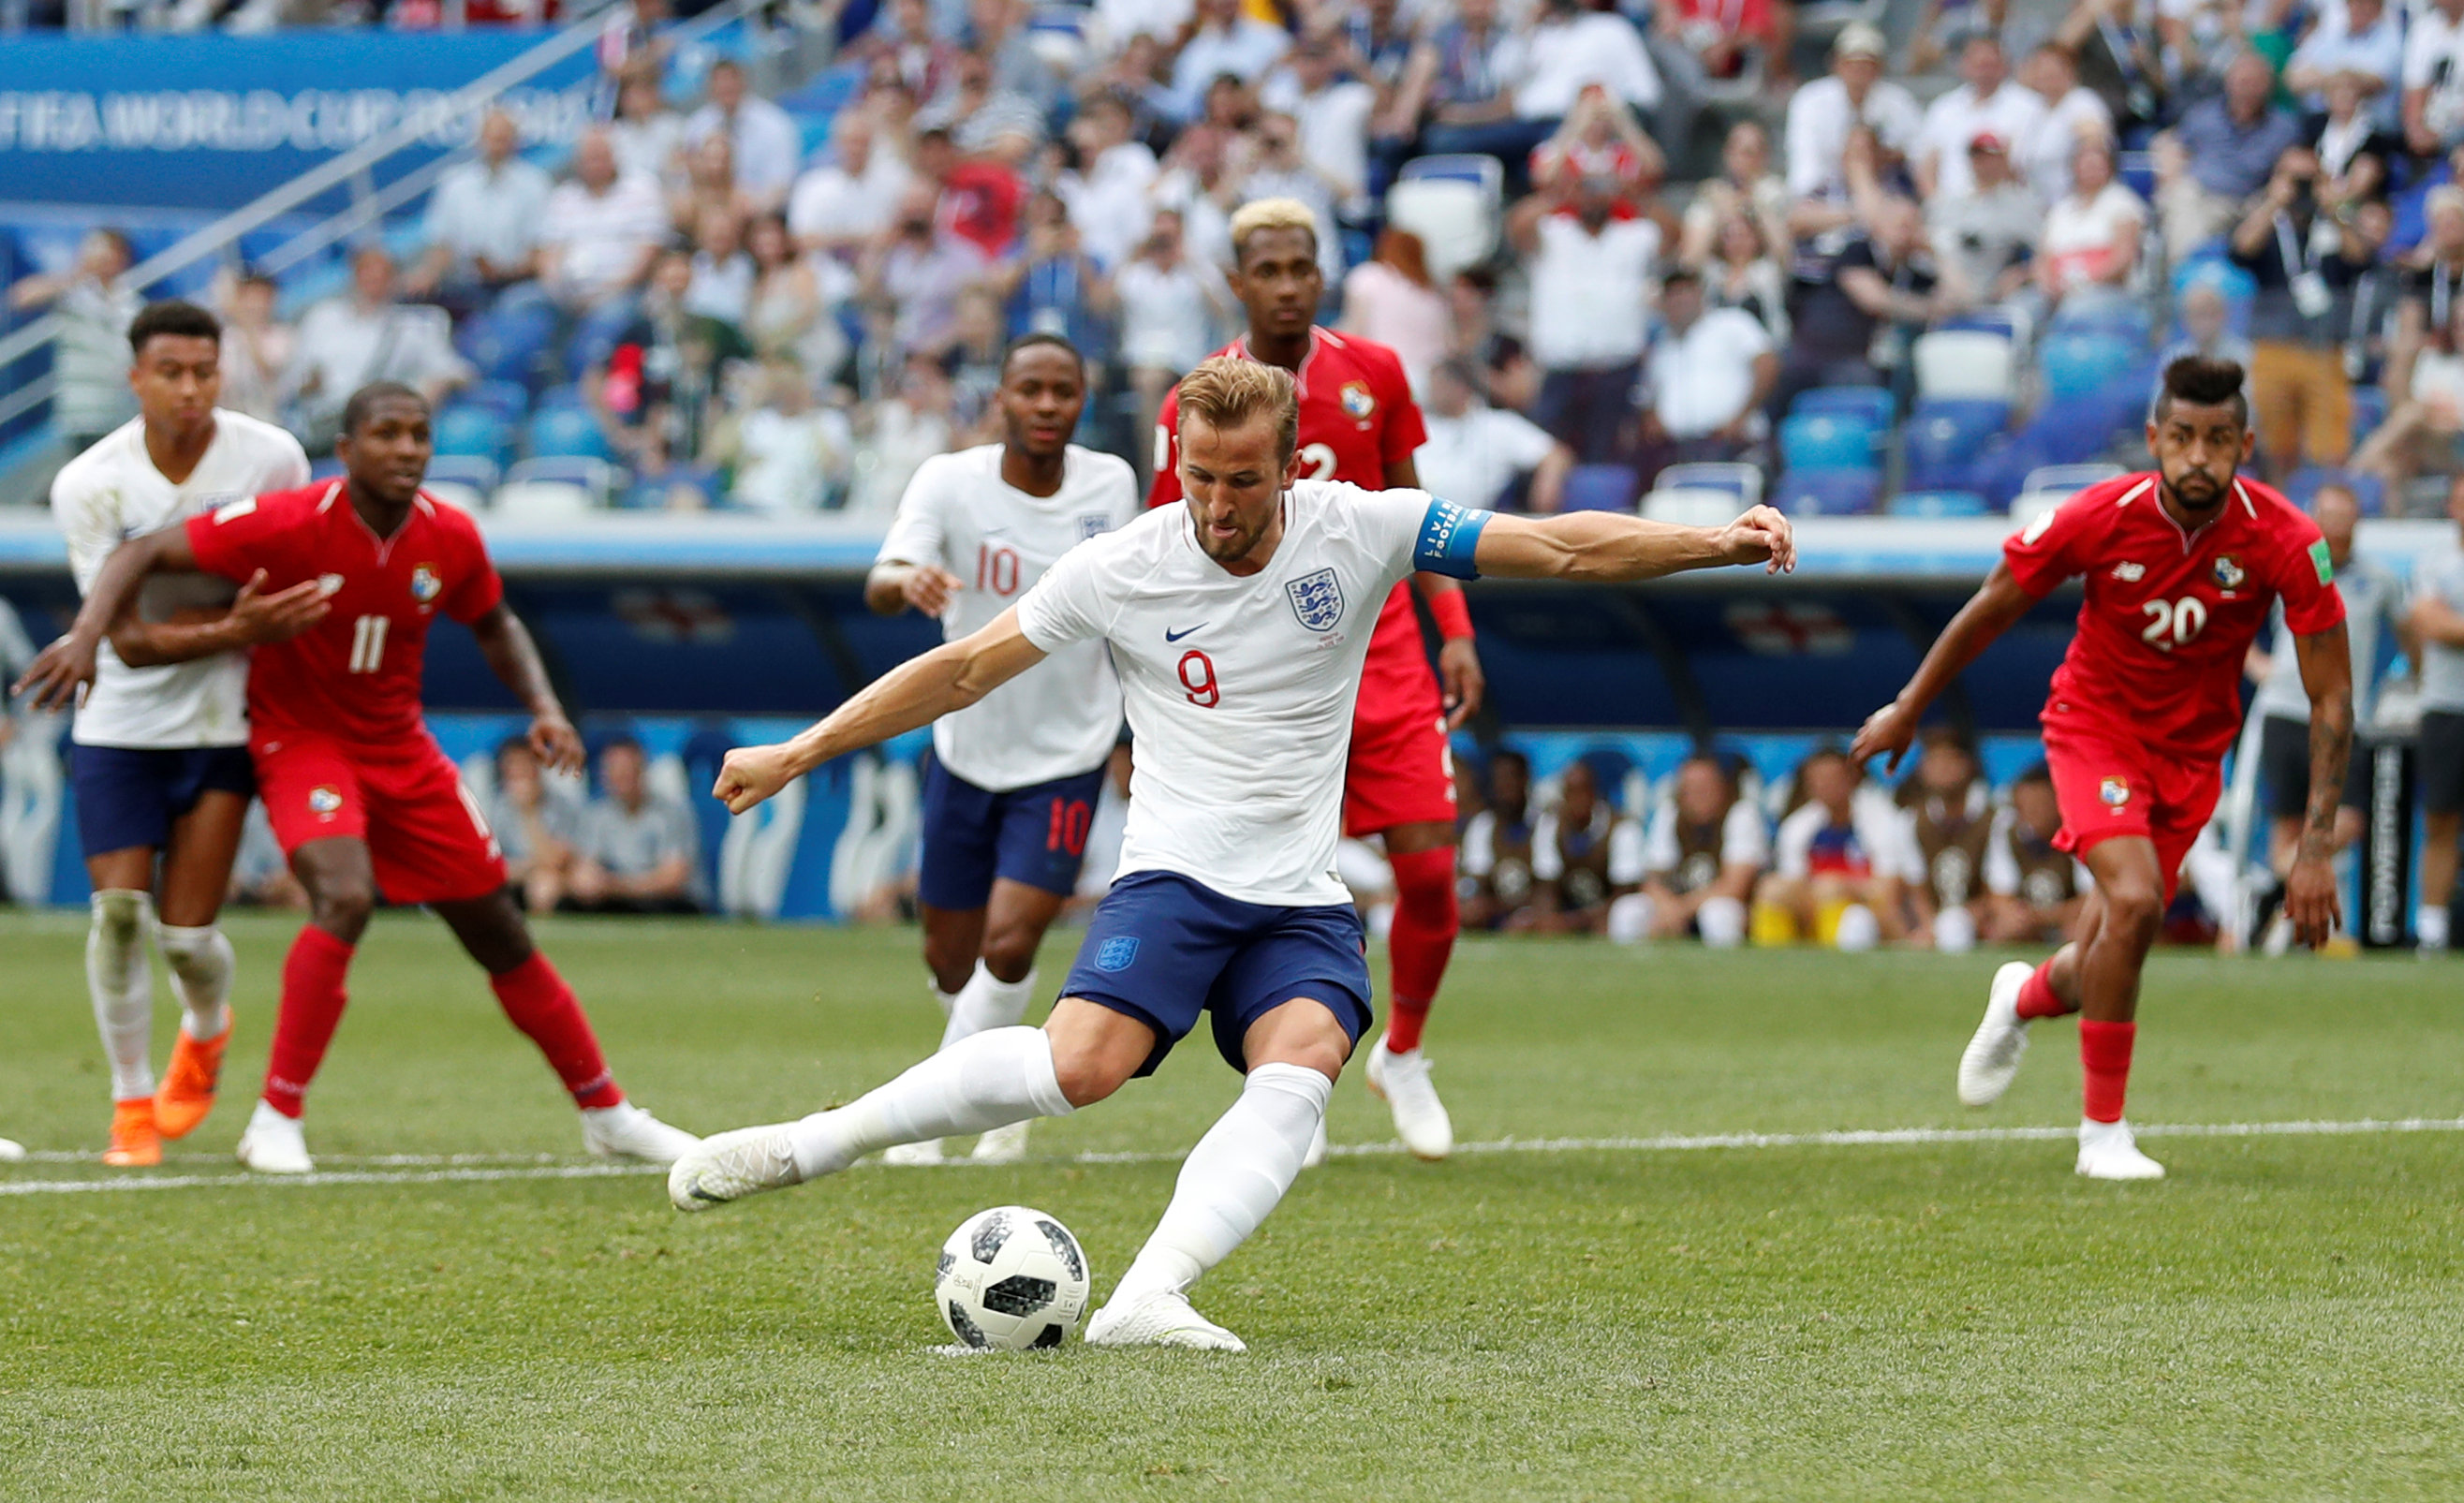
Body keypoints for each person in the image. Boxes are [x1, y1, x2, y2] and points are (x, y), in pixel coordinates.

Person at [668, 355, 1795, 1350]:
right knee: (1078, 1071)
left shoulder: (1363, 526)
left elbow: (1559, 546)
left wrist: (1712, 541)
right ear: (1175, 462)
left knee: (1304, 1062)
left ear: (1293, 462)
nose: (1217, 503)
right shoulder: (1123, 565)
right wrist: (798, 751)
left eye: (1243, 480)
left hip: (1299, 895)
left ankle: (1148, 1297)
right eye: (1198, 476)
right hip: (1174, 877)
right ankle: (813, 1143)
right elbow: (962, 668)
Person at [18, 383, 701, 1176]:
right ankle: (276, 1116)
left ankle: (607, 1111)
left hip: (401, 749)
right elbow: (141, 550)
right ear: (345, 451)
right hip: (301, 742)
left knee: (500, 932)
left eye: (419, 435)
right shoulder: (289, 520)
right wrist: (87, 638)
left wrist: (543, 705)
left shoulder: (449, 534)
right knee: (343, 895)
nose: (407, 449)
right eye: (386, 433)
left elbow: (493, 619)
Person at [1852, 356, 2353, 1180]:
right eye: (2183, 437)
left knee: (2117, 939)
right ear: (2155, 438)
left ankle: (2024, 995)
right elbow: (1991, 606)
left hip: (2191, 755)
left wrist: (2313, 846)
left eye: (2218, 440)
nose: (2199, 457)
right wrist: (1910, 704)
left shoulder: (2287, 541)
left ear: (2245, 445)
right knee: (2136, 898)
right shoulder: (2098, 515)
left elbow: (2331, 697)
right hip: (2094, 729)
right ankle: (2101, 1136)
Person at [1146, 199, 1487, 1163]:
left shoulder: (1374, 374)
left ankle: (1406, 1054)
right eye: (1270, 270)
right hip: (1266, 678)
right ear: (1237, 281)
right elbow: (1167, 551)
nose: (1289, 285)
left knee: (1429, 873)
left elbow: (1420, 515)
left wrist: (1452, 630)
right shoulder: (1198, 400)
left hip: (1383, 657)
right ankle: (1286, 1091)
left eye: (1303, 267)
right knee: (1266, 886)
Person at [45, 300, 315, 1167]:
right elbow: (124, 639)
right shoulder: (91, 483)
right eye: (171, 372)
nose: (190, 388)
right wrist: (232, 624)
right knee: (119, 916)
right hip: (118, 720)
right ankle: (129, 1107)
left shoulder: (271, 457)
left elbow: (284, 590)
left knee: (188, 938)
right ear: (136, 379)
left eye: (205, 371)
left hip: (221, 722)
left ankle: (204, 1028)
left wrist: (221, 621)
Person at [862, 334, 1138, 1165]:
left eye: (1064, 390)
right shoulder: (949, 482)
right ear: (1002, 400)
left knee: (1011, 942)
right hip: (966, 746)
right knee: (949, 959)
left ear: (1081, 400)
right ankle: (1001, 1088)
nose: (1048, 405)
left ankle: (923, 1122)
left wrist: (1134, 731)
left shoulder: (1111, 484)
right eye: (1031, 390)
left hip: (1067, 752)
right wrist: (906, 580)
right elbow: (882, 578)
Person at [2243, 483, 2407, 950]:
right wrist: (2261, 669)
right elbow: (2233, 621)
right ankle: (2294, 931)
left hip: (2342, 714)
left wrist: (2399, 682)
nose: (2336, 527)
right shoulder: (2287, 571)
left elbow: (2407, 634)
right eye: (2328, 516)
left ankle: (2271, 890)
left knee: (2348, 820)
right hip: (2286, 709)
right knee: (2288, 824)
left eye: (2345, 517)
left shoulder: (2378, 581)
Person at [1507, 171, 1660, 464]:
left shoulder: (1633, 235)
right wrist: (1558, 192)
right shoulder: (1553, 232)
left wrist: (1635, 195)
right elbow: (1517, 226)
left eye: (1599, 188)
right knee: (1546, 458)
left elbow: (1673, 238)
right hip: (1560, 373)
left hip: (1616, 373)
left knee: (1609, 462)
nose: (1592, 196)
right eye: (1586, 189)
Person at [1754, 746, 1910, 950]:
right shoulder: (1798, 825)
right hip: (1816, 909)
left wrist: (1842, 887)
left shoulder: (1881, 818)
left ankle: (1835, 961)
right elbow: (1794, 883)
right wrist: (1822, 892)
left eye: (1831, 778)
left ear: (1852, 778)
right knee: (1771, 888)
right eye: (1816, 780)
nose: (1824, 786)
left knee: (1833, 891)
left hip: (1875, 916)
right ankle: (1772, 962)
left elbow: (1890, 892)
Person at [1640, 263, 1776, 485]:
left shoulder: (1732, 323)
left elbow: (1767, 364)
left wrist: (1741, 417)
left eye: (1686, 291)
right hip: (1677, 451)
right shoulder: (1662, 347)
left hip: (1734, 443)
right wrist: (1655, 421)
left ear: (1700, 294)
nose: (1680, 300)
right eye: (1673, 294)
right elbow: (1648, 397)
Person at [406, 108, 553, 312]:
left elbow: (541, 248)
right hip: (465, 283)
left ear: (515, 142)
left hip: (516, 283)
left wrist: (502, 273)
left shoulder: (535, 183)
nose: (496, 146)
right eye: (492, 138)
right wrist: (428, 275)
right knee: (412, 299)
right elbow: (442, 244)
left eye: (503, 139)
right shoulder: (455, 184)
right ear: (479, 141)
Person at [2408, 478, 2464, 952]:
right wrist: (2447, 625)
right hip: (2445, 707)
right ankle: (2432, 928)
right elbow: (2431, 624)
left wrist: (2454, 622)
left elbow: (2449, 625)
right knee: (2441, 819)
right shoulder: (2435, 563)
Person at [1630, 750, 1763, 946]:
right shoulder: (1670, 813)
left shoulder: (1741, 814)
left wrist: (1680, 910)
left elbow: (1735, 887)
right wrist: (1666, 907)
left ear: (1722, 787)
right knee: (1628, 911)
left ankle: (1728, 974)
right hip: (1678, 904)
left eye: (1704, 788)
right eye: (1689, 788)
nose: (1696, 795)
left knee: (1717, 914)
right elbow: (1652, 879)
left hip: (1731, 906)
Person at [566, 736, 705, 914]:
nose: (621, 777)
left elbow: (674, 879)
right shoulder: (597, 814)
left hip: (667, 903)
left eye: (627, 770)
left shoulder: (673, 813)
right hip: (617, 900)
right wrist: (590, 881)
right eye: (614, 770)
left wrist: (615, 886)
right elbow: (583, 872)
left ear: (643, 771)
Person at [1417, 359, 1573, 512]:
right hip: (1413, 515)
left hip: (1470, 523)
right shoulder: (1420, 424)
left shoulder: (1498, 425)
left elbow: (1555, 455)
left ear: (1462, 387)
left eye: (1440, 384)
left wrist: (1547, 484)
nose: (1432, 391)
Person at [1913, 37, 2049, 203]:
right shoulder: (1944, 108)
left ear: (2004, 66)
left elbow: (2028, 167)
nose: (1985, 72)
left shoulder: (2029, 107)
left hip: (2007, 206)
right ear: (1964, 67)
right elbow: (1926, 166)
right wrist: (1937, 205)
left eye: (1990, 65)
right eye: (1979, 65)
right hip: (1951, 208)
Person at [1895, 727, 1994, 953]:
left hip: (1982, 920)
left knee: (1954, 924)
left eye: (1949, 760)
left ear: (1968, 765)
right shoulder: (1911, 819)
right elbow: (1915, 888)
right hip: (1933, 920)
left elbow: (1997, 890)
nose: (1941, 769)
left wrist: (1972, 916)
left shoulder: (1995, 817)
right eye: (1933, 761)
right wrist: (1930, 927)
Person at [1525, 759, 1645, 935]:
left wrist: (1578, 921)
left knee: (1624, 914)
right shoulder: (1550, 823)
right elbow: (1546, 884)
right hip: (1567, 910)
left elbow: (1625, 891)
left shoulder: (1622, 828)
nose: (1577, 800)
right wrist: (1549, 918)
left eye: (1583, 792)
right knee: (1526, 923)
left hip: (1606, 910)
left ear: (1594, 793)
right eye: (1571, 793)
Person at [1982, 763, 2089, 944]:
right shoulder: (2008, 832)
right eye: (2025, 807)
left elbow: (2092, 900)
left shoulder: (2079, 832)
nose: (2032, 813)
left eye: (2040, 805)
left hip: (2066, 923)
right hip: (2030, 925)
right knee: (2003, 928)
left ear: (2058, 803)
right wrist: (2014, 915)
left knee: (2082, 930)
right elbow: (1999, 895)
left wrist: (2043, 917)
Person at [683, 59, 802, 214]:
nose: (726, 86)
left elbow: (782, 184)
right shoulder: (696, 125)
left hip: (760, 211)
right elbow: (688, 180)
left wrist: (747, 207)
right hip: (710, 213)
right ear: (709, 87)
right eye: (719, 81)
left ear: (744, 82)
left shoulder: (775, 124)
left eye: (731, 79)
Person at [486, 735, 579, 916]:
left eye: (524, 764)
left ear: (537, 767)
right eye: (512, 764)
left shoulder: (561, 805)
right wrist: (529, 866)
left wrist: (528, 813)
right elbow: (489, 864)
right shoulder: (496, 807)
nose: (517, 771)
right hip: (514, 875)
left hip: (550, 876)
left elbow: (555, 861)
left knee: (544, 886)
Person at [1459, 748, 1538, 929]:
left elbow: (1548, 888)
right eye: (1499, 780)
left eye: (1510, 778)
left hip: (1535, 908)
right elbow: (1478, 883)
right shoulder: (1483, 825)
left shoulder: (1544, 822)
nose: (1504, 787)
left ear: (1524, 779)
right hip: (1496, 911)